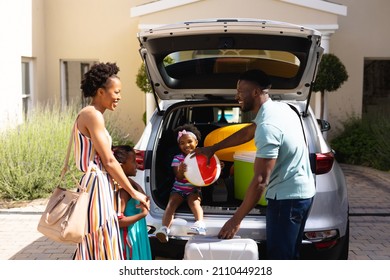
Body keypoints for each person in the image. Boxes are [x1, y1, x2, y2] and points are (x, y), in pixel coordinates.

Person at [194, 69, 316, 260]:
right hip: (302, 193)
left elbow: (260, 181)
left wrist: (235, 220)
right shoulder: (281, 109)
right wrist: (213, 148)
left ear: (256, 92)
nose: (236, 96)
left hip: (287, 200)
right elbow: (248, 132)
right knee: (291, 254)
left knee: (281, 259)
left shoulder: (268, 127)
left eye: (240, 91)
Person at [73, 62, 149, 260]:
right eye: (116, 92)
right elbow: (109, 160)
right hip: (96, 185)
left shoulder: (94, 115)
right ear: (100, 91)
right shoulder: (92, 114)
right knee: (100, 243)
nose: (119, 97)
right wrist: (134, 193)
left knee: (100, 243)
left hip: (100, 184)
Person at [155, 124, 206, 243]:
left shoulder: (201, 157)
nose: (186, 145)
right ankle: (164, 229)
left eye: (189, 141)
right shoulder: (177, 158)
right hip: (178, 189)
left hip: (193, 189)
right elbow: (177, 176)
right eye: (182, 143)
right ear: (179, 146)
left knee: (194, 203)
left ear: (196, 142)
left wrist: (218, 167)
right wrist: (181, 170)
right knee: (171, 204)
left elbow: (207, 172)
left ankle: (200, 224)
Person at [112, 145, 152, 260]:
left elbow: (144, 196)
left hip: (137, 236)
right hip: (129, 239)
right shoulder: (124, 192)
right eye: (133, 161)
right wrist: (142, 215)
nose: (137, 165)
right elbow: (118, 221)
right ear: (121, 166)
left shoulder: (130, 186)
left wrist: (126, 180)